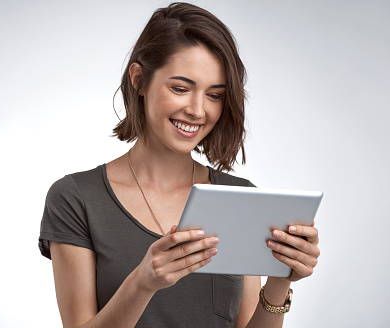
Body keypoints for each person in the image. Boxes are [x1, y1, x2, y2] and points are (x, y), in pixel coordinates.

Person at [38, 2, 320, 327]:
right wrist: (142, 282)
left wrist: (280, 276)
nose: (198, 110)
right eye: (181, 88)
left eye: (214, 95)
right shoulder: (76, 198)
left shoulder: (240, 198)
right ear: (139, 79)